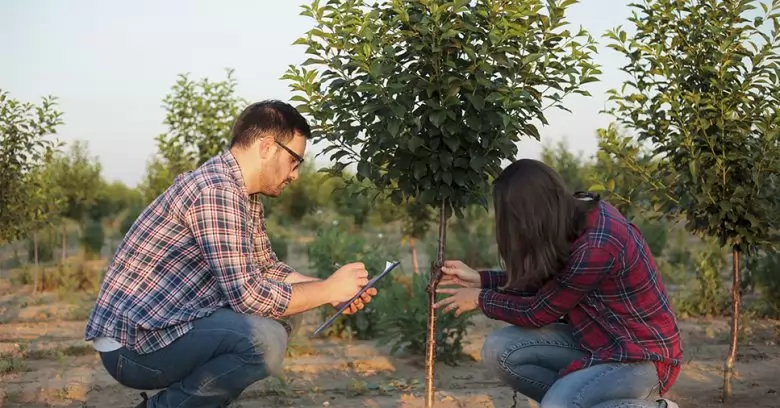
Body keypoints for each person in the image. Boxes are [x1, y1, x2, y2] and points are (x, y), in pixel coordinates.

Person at [84, 100, 376, 408]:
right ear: (266, 147)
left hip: (162, 327)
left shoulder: (242, 195)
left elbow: (267, 268)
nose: (295, 175)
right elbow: (249, 296)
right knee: (266, 340)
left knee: (285, 317)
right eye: (295, 161)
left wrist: (330, 290)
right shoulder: (217, 191)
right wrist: (328, 288)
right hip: (134, 345)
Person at [433, 159, 683, 408]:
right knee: (499, 349)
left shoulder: (596, 245)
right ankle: (578, 398)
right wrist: (482, 279)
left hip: (641, 358)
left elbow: (537, 312)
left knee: (558, 404)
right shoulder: (571, 215)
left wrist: (479, 298)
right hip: (597, 341)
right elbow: (548, 281)